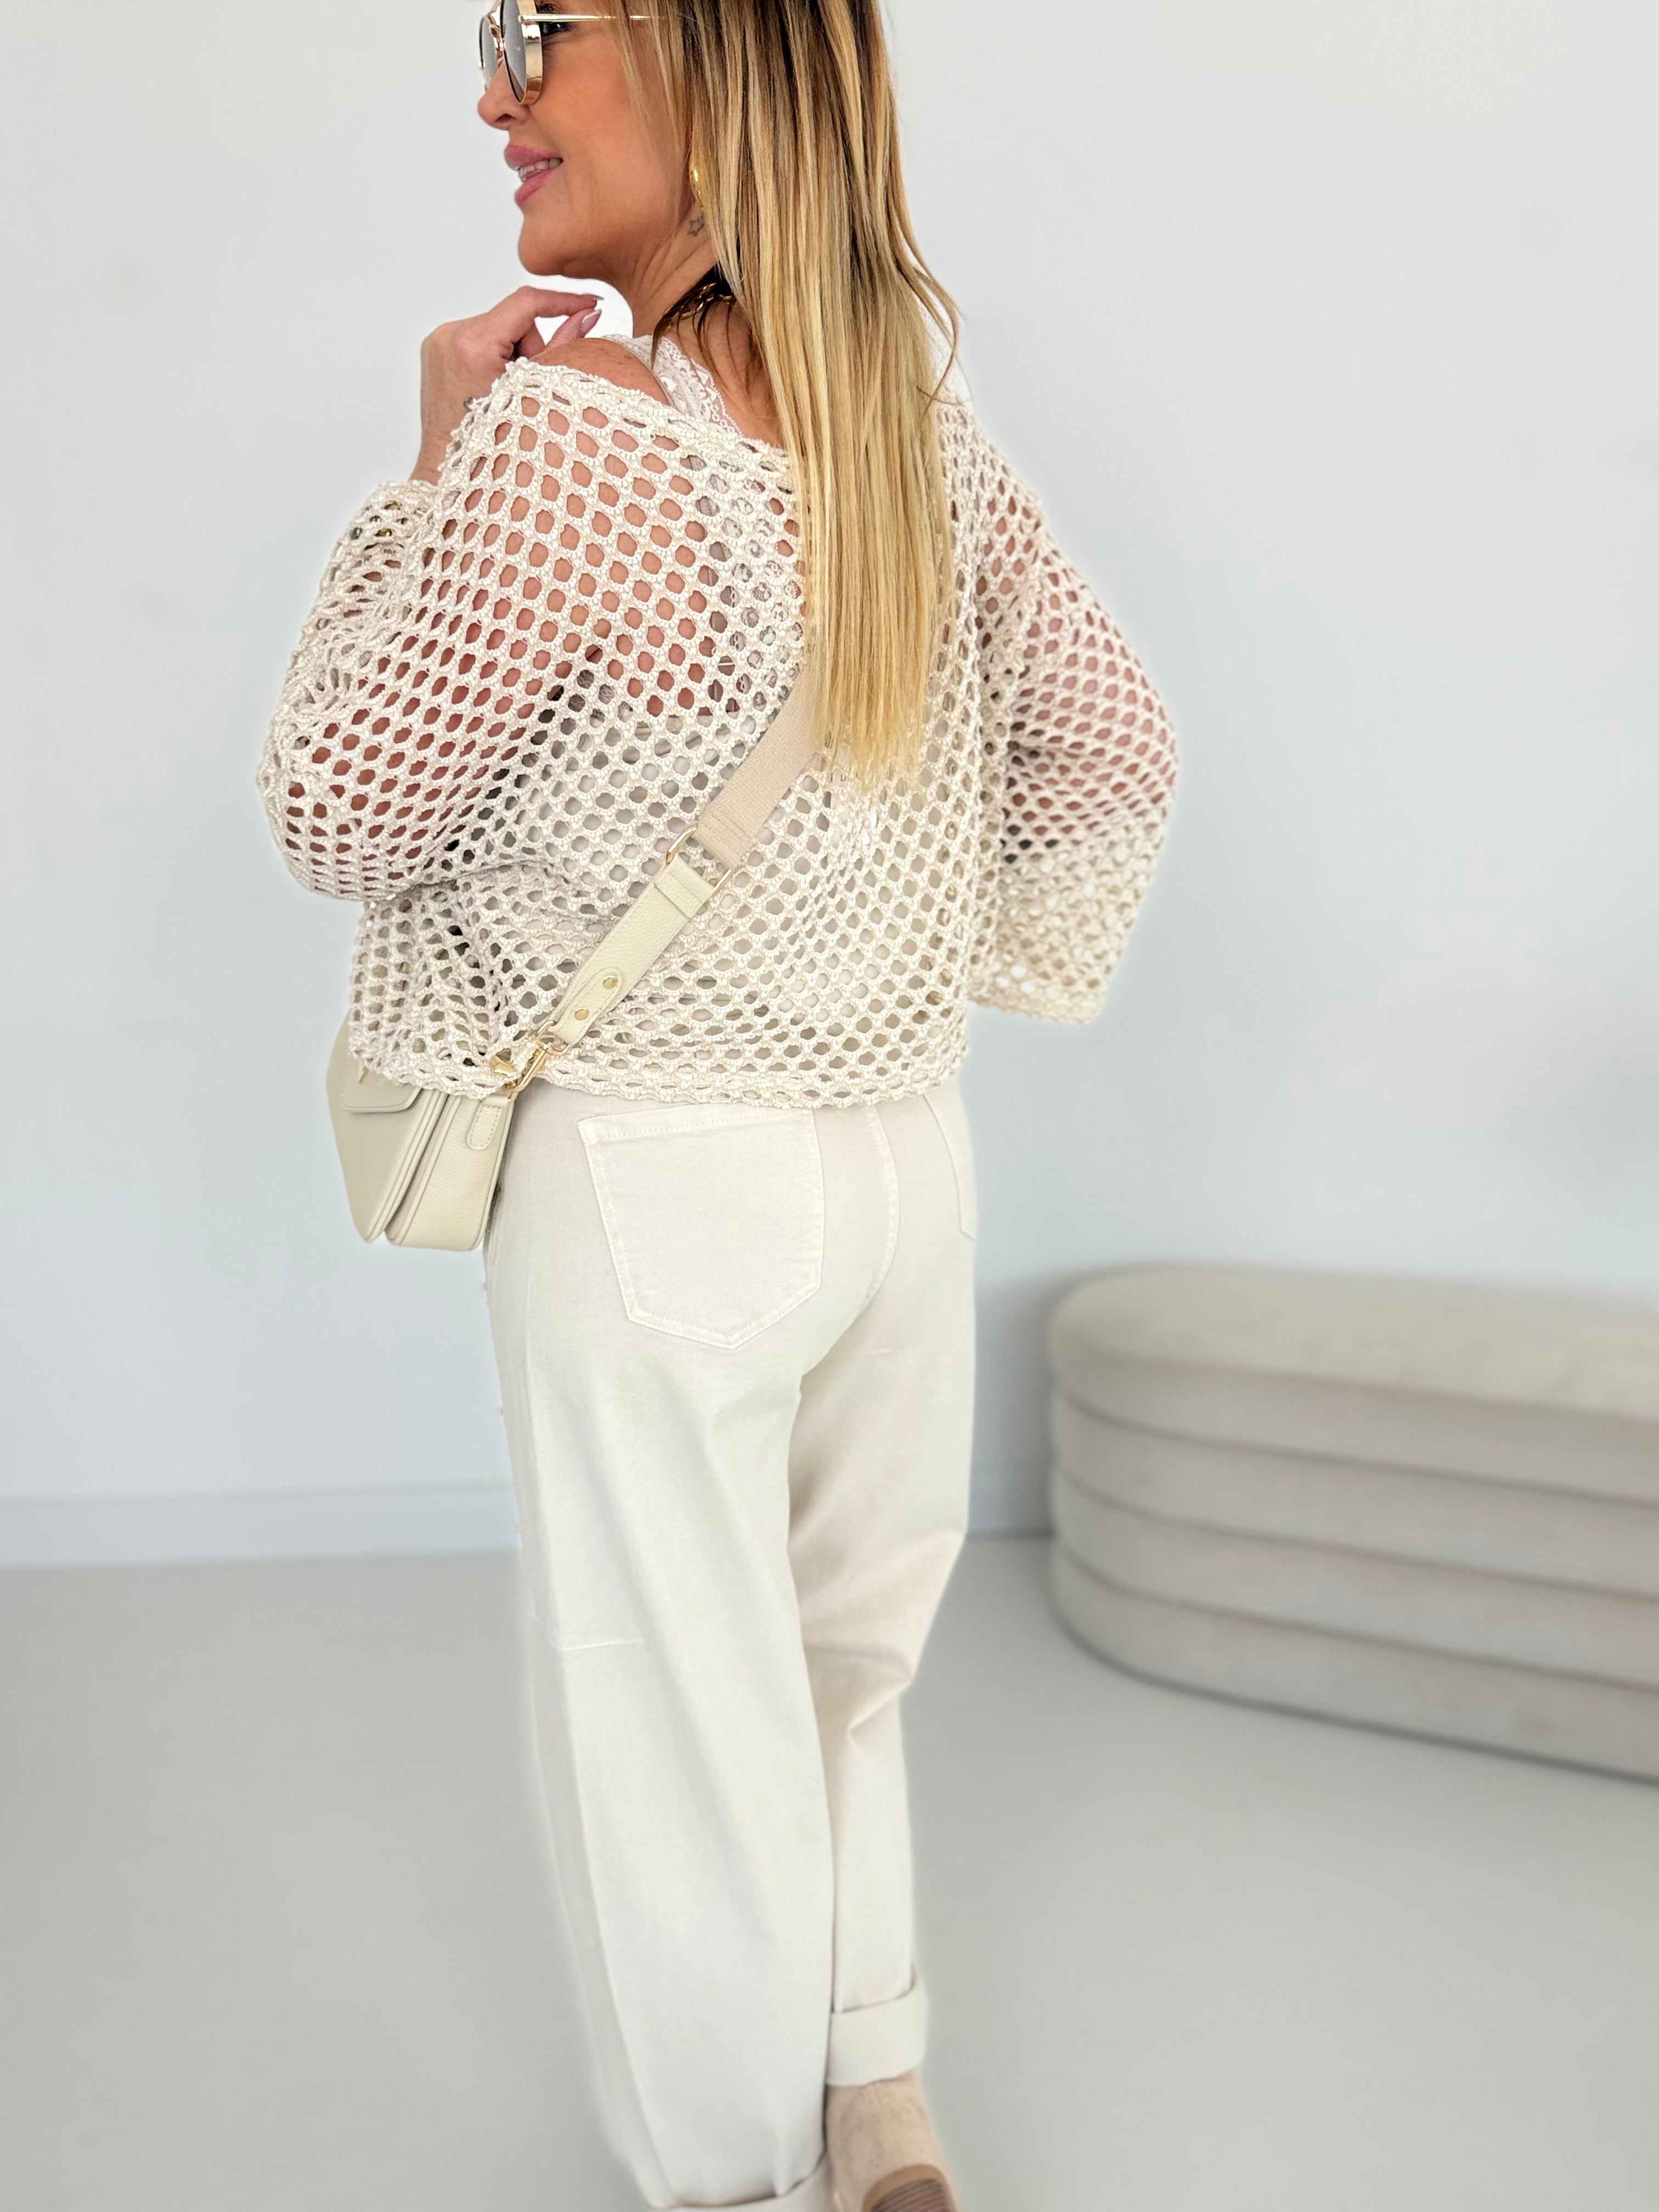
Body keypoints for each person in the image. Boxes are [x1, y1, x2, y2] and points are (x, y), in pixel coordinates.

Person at [258, 3, 1177, 2205]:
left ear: (709, 59)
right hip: (904, 1168)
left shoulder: (569, 444)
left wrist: (422, 477)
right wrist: (891, 954)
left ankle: (737, 2186)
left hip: (662, 1187)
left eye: (538, 32)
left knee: (677, 1734)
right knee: (842, 1674)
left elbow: (333, 808)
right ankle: (880, 2112)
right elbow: (1115, 744)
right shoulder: (908, 418)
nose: (495, 94)